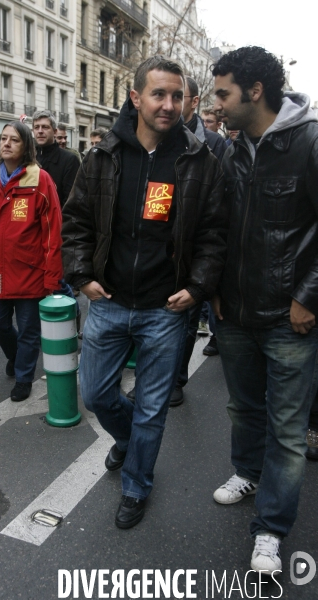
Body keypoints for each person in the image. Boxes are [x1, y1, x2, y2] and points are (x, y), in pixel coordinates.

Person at [62, 56, 227, 529]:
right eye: (159, 94)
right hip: (109, 303)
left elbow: (215, 234)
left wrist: (197, 288)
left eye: (177, 96)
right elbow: (77, 222)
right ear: (136, 97)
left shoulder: (201, 161)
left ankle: (137, 485)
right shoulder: (103, 156)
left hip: (166, 310)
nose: (169, 105)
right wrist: (80, 276)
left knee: (153, 408)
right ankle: (128, 441)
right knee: (94, 394)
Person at [211, 46, 318, 575]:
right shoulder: (232, 149)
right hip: (233, 313)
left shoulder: (310, 141)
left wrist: (307, 298)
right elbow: (222, 228)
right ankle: (246, 471)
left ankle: (271, 529)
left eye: (223, 93)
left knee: (288, 431)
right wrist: (212, 290)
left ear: (255, 91)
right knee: (243, 408)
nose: (216, 104)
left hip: (288, 318)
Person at [0, 121, 63, 402]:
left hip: (30, 274)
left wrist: (52, 277)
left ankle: (23, 376)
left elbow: (53, 233)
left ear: (26, 147)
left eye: (15, 140)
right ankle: (17, 357)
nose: (7, 143)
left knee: (29, 332)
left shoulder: (41, 180)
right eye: (4, 139)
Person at [32, 111, 80, 208]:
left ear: (54, 131)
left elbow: (71, 202)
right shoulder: (29, 158)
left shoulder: (70, 160)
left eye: (45, 127)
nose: (40, 131)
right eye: (36, 127)